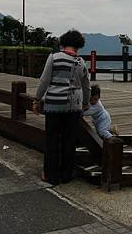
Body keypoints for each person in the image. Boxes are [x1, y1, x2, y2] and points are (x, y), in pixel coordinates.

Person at [33, 29, 90, 185]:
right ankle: (66, 174)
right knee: (69, 140)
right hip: (74, 107)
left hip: (54, 105)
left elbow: (44, 81)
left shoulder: (54, 57)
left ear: (63, 43)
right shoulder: (81, 62)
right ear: (78, 45)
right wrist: (85, 103)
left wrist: (37, 99)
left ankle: (51, 175)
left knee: (52, 139)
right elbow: (87, 86)